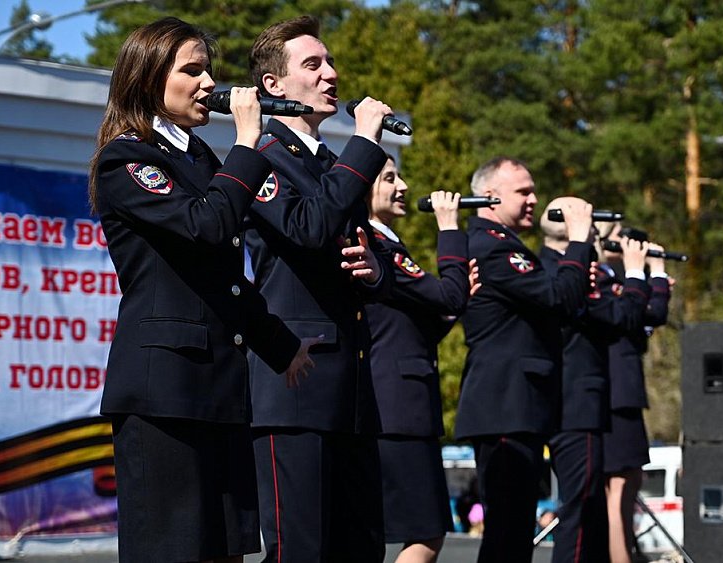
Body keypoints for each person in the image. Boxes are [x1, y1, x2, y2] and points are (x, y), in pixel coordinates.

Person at [87, 17, 315, 562]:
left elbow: (222, 278)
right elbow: (205, 226)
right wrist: (247, 143)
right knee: (175, 549)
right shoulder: (128, 157)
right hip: (165, 392)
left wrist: (280, 344)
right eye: (192, 70)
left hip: (218, 387)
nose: (209, 82)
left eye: (208, 69)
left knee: (227, 549)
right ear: (148, 78)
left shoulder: (198, 159)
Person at [243, 15, 395, 563]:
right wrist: (366, 142)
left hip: (351, 390)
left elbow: (365, 251)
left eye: (330, 62)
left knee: (361, 549)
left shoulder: (332, 164)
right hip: (296, 385)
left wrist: (376, 271)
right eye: (313, 64)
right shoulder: (261, 158)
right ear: (273, 84)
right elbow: (307, 227)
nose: (331, 74)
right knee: (299, 552)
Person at [455, 157, 595, 563]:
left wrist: (573, 272)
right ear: (490, 196)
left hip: (518, 406)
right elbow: (558, 297)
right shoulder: (494, 247)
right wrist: (579, 242)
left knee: (514, 534)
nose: (534, 199)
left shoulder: (505, 245)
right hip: (505, 406)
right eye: (523, 191)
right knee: (507, 534)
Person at [365, 156, 473, 563]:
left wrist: (450, 311)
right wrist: (449, 228)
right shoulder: (379, 247)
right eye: (390, 178)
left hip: (397, 407)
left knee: (383, 536)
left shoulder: (385, 244)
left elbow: (413, 333)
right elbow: (450, 295)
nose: (404, 187)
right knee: (426, 534)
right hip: (397, 411)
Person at [540, 198, 652, 563]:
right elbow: (625, 316)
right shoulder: (563, 272)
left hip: (576, 399)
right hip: (575, 401)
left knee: (589, 509)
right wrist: (635, 272)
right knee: (582, 510)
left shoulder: (564, 269)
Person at [596, 222, 672, 563]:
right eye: (617, 234)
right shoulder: (601, 279)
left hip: (621, 393)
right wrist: (649, 274)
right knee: (619, 487)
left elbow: (650, 318)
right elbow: (648, 313)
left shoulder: (619, 280)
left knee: (627, 484)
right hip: (614, 395)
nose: (626, 241)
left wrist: (653, 281)